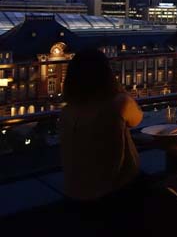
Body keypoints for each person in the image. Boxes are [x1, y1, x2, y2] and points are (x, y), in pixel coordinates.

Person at [59, 48, 144, 233]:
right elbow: (137, 119)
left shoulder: (66, 112)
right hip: (114, 193)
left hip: (73, 193)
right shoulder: (119, 103)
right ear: (107, 74)